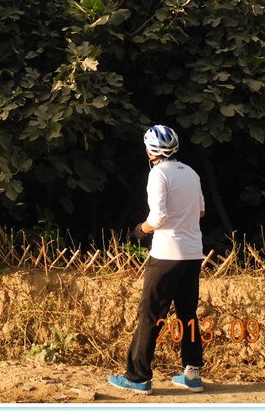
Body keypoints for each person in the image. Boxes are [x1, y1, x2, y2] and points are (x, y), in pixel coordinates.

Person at [108, 124, 206, 395]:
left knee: (151, 315)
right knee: (187, 314)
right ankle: (192, 373)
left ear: (149, 150)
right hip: (192, 253)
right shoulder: (192, 173)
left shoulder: (158, 174)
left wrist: (141, 229)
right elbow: (200, 211)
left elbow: (159, 217)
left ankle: (138, 377)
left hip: (166, 255)